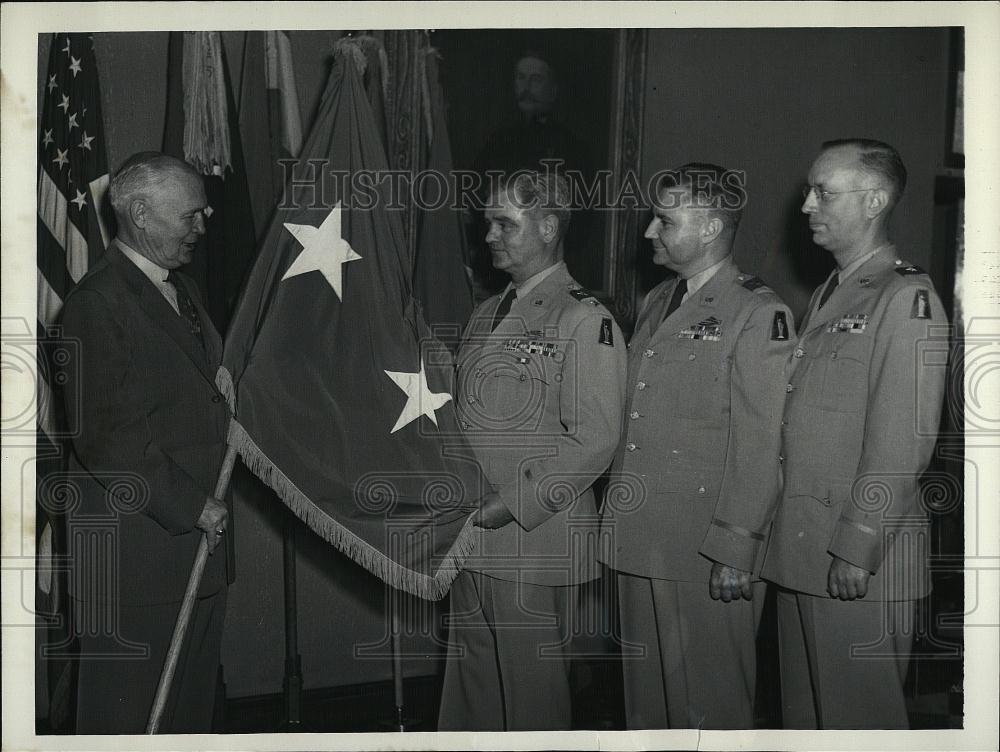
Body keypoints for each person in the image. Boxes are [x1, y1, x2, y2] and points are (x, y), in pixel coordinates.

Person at [599, 163, 795, 729]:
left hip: (704, 546)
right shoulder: (661, 299)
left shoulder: (758, 313)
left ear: (710, 227)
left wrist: (737, 546)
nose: (648, 233)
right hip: (642, 537)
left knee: (710, 710)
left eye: (664, 220)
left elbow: (763, 442)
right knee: (647, 711)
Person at [760, 139, 948, 729]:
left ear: (874, 201)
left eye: (824, 192)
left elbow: (902, 439)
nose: (807, 205)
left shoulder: (905, 296)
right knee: (807, 725)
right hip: (802, 549)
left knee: (858, 727)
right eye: (811, 190)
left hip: (858, 557)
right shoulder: (832, 294)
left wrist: (858, 542)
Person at [438, 171, 626, 731]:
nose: (490, 236)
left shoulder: (584, 318)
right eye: (487, 223)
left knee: (531, 703)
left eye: (504, 224)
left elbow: (596, 438)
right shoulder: (487, 312)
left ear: (547, 227)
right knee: (473, 691)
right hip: (472, 532)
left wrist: (513, 502)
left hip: (531, 535)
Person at [58, 152, 233, 733]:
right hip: (138, 566)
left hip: (194, 559)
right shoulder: (96, 305)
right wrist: (194, 506)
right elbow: (109, 442)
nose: (202, 227)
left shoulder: (176, 289)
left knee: (186, 726)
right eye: (190, 215)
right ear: (139, 214)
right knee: (125, 727)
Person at [468, 51, 594, 298]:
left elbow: (582, 220)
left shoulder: (571, 147)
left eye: (535, 79)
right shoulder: (498, 141)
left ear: (553, 90)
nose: (526, 87)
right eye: (520, 78)